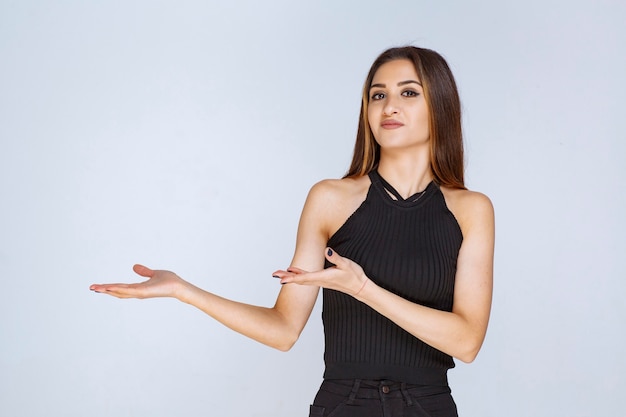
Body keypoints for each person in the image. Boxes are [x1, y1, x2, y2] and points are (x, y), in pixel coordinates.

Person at [90, 45, 494, 417]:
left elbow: (466, 342)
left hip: (429, 406)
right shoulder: (330, 199)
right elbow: (283, 329)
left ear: (439, 105)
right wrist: (183, 290)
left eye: (408, 93)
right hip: (343, 404)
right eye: (377, 94)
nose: (389, 105)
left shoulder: (471, 210)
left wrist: (362, 288)